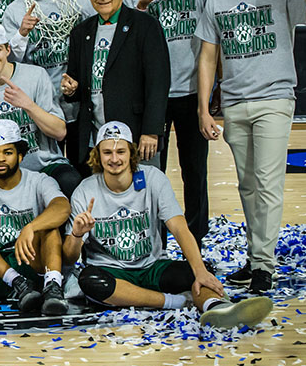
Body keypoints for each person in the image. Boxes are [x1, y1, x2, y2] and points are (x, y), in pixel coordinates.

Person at [197, 0, 306, 293]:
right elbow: (208, 57)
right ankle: (256, 258)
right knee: (248, 186)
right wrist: (204, 109)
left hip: (274, 98)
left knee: (268, 183)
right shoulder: (217, 0)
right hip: (235, 102)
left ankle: (264, 267)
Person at [63, 122, 274, 328]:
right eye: (107, 152)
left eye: (121, 151)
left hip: (152, 267)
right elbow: (70, 257)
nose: (114, 159)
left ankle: (219, 307)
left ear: (131, 153)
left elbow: (179, 227)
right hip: (112, 273)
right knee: (89, 281)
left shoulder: (153, 179)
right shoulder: (85, 191)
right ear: (98, 155)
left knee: (198, 270)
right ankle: (177, 302)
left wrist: (200, 270)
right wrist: (77, 235)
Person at [124, 0, 216, 246]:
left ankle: (197, 239)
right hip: (152, 94)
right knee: (151, 172)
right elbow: (126, 41)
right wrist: (143, 4)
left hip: (192, 88)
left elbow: (213, 36)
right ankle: (154, 239)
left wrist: (213, 85)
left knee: (195, 170)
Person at [0, 120, 72, 314]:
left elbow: (62, 207)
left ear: (20, 155)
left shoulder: (39, 181)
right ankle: (17, 282)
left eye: (7, 152)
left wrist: (31, 227)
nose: (0, 159)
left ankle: (52, 288)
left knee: (49, 226)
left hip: (30, 262)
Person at [61, 0, 170, 169]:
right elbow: (75, 81)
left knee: (144, 193)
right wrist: (70, 89)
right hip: (95, 136)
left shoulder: (145, 25)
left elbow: (158, 81)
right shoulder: (80, 32)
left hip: (137, 133)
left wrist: (151, 130)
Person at [1, 0, 95, 167]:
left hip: (79, 103)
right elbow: (8, 62)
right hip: (41, 107)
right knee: (48, 171)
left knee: (82, 170)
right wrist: (22, 33)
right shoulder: (15, 9)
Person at [0, 21, 81, 197]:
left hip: (45, 165)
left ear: (7, 49)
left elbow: (60, 132)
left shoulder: (36, 75)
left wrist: (28, 105)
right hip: (2, 173)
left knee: (70, 181)